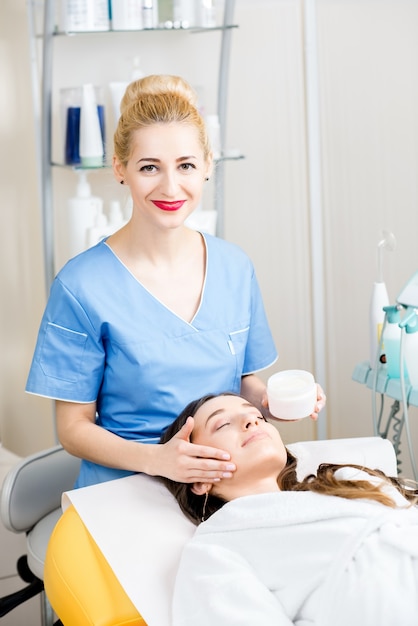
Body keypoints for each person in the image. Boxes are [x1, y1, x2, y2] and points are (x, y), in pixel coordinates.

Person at [26, 75, 326, 488]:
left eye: (185, 165)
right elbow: (73, 429)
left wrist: (268, 404)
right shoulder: (82, 286)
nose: (170, 187)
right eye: (150, 167)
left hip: (218, 487)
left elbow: (238, 382)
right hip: (122, 491)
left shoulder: (234, 267)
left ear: (206, 166)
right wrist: (158, 460)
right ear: (120, 169)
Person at [160, 392, 418, 626]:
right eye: (223, 424)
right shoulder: (213, 550)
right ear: (199, 479)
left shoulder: (344, 480)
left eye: (258, 415)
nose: (253, 421)